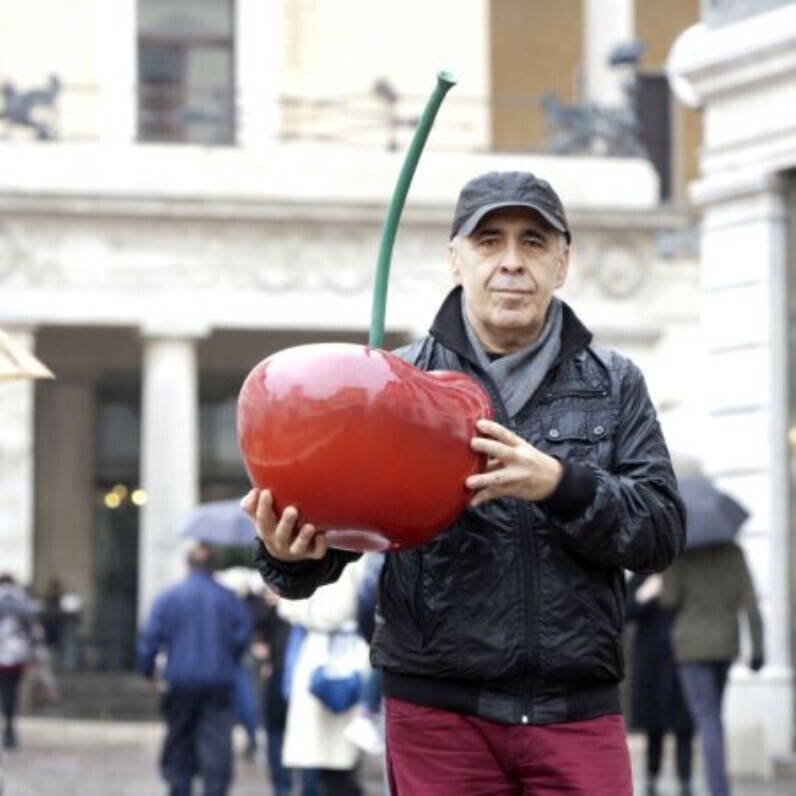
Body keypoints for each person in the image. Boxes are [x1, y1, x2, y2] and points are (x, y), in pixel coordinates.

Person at [243, 170, 685, 795]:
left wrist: (561, 484)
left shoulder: (615, 383)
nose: (511, 263)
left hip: (575, 711)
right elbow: (335, 539)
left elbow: (661, 530)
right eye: (488, 242)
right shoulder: (395, 382)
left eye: (533, 243)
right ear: (454, 258)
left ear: (563, 264)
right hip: (438, 716)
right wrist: (286, 557)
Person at [137, 543, 253, 796]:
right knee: (217, 743)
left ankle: (180, 786)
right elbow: (243, 636)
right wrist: (227, 657)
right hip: (218, 680)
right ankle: (214, 789)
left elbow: (150, 637)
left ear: (188, 564)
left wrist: (147, 670)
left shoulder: (170, 596)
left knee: (179, 739)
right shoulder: (228, 598)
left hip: (180, 680)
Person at [660, 537, 764, 796]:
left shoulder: (682, 554)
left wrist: (667, 573)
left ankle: (718, 789)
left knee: (706, 717)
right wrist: (759, 648)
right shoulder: (733, 552)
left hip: (691, 646)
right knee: (713, 715)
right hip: (725, 645)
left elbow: (668, 599)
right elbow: (750, 601)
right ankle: (719, 787)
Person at [275, 561, 368, 796]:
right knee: (324, 767)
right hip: (328, 662)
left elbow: (333, 613)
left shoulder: (346, 558)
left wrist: (296, 607)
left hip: (332, 666)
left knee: (332, 770)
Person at [626, 572, 694, 796]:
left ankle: (685, 780)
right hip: (651, 660)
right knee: (654, 725)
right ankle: (651, 778)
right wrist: (646, 593)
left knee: (684, 724)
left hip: (682, 655)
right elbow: (626, 612)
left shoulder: (685, 570)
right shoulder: (643, 575)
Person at [0, 574, 49, 749]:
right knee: (10, 692)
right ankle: (10, 727)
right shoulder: (22, 604)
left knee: (6, 693)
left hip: (6, 657)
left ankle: (9, 727)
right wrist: (38, 656)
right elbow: (35, 632)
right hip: (17, 658)